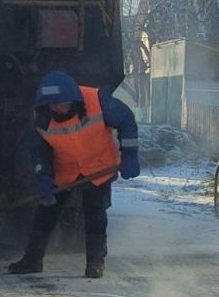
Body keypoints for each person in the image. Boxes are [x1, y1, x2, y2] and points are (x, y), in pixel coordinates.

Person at [8, 70, 140, 279]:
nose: (57, 109)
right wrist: (44, 179)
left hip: (98, 168)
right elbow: (39, 153)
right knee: (45, 215)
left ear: (74, 100)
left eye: (62, 104)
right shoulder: (40, 119)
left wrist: (130, 154)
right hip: (65, 171)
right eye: (52, 105)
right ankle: (32, 260)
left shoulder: (97, 101)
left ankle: (95, 263)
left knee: (95, 215)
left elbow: (126, 119)